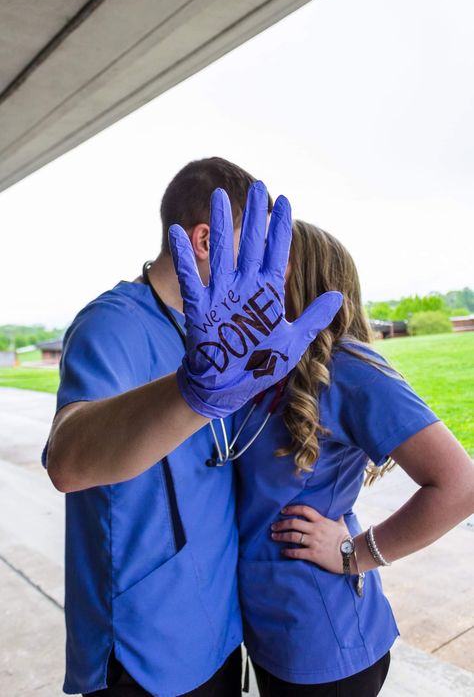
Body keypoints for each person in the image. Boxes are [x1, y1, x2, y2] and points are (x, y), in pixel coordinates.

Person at [41, 159, 342, 696]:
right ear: (207, 240)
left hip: (217, 629)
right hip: (144, 647)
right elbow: (66, 461)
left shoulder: (220, 334)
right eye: (251, 250)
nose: (263, 271)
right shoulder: (113, 322)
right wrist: (192, 393)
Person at [233, 220, 474, 697]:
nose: (251, 276)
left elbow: (460, 484)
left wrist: (357, 553)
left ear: (306, 278)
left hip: (322, 639)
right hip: (267, 626)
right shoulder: (261, 369)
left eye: (269, 265)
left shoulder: (348, 368)